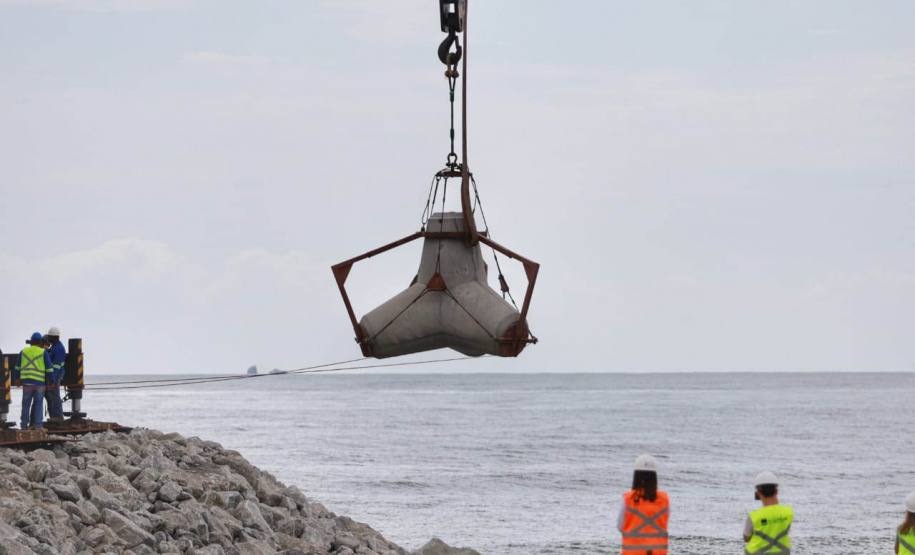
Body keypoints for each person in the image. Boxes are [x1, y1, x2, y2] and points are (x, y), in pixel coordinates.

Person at [618, 454, 669, 555]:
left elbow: (620, 527)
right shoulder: (664, 499)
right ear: (654, 476)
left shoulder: (629, 498)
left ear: (636, 476)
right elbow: (664, 524)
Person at [744, 471, 793, 554]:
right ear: (776, 491)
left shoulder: (753, 516)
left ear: (758, 493)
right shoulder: (788, 512)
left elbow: (746, 538)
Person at [15, 332, 53, 430]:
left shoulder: (23, 351)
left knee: (25, 405)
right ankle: (38, 426)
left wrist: (17, 379)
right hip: (39, 383)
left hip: (27, 383)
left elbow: (17, 367)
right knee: (38, 404)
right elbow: (49, 369)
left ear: (31, 341)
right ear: (40, 342)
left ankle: (24, 426)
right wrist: (52, 381)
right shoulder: (43, 352)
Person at [44, 326, 67, 421]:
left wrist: (53, 379)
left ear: (54, 337)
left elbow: (57, 366)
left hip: (56, 374)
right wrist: (46, 350)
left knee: (55, 394)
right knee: (51, 395)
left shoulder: (59, 348)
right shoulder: (55, 346)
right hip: (54, 374)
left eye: (50, 337)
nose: (48, 338)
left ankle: (58, 416)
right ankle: (53, 416)